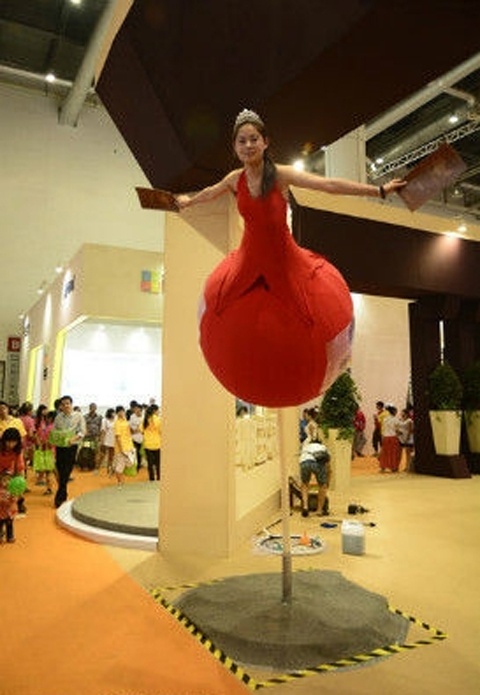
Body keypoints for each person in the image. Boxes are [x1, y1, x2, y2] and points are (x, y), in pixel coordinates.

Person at [175, 109, 406, 406]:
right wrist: (188, 201)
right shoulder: (235, 179)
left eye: (254, 139)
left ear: (265, 142)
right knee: (219, 305)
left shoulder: (280, 175)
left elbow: (328, 185)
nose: (248, 145)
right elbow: (211, 191)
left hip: (283, 260)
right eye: (242, 141)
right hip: (248, 257)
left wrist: (379, 190)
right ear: (235, 147)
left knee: (307, 315)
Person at [51, 395, 85, 508]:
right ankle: (63, 494)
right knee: (60, 470)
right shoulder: (58, 417)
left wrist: (73, 439)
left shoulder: (78, 416)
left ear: (71, 404)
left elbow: (82, 431)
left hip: (72, 446)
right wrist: (54, 439)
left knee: (67, 470)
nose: (65, 406)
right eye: (63, 404)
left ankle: (59, 496)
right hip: (60, 447)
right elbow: (55, 430)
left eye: (67, 403)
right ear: (60, 406)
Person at [0, 428, 25, 543]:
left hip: (12, 484)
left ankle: (10, 533)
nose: (11, 444)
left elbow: (20, 470)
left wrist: (19, 490)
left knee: (10, 508)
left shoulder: (18, 452)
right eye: (8, 441)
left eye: (14, 442)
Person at [298, 440, 331, 518]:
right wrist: (327, 482)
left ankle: (305, 507)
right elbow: (328, 467)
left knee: (305, 484)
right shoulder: (323, 447)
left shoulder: (305, 447)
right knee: (322, 486)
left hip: (304, 462)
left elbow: (301, 458)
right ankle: (319, 510)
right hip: (318, 463)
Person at [113, 406, 135, 487]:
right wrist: (121, 449)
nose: (122, 413)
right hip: (121, 448)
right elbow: (118, 437)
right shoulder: (117, 423)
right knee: (119, 467)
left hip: (129, 446)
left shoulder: (125, 421)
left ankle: (121, 481)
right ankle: (120, 483)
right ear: (117, 413)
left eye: (123, 411)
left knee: (129, 464)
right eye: (120, 411)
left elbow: (130, 433)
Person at [378, 405, 401, 472]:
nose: (396, 412)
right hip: (393, 437)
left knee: (385, 453)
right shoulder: (395, 419)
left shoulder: (385, 419)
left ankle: (383, 467)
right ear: (393, 411)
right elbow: (398, 429)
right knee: (393, 453)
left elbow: (383, 428)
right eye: (396, 411)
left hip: (385, 437)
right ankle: (393, 467)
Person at [141, 404, 161, 481]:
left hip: (148, 444)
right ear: (154, 411)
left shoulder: (145, 419)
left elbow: (141, 431)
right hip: (157, 444)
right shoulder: (158, 419)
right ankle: (159, 478)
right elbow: (161, 431)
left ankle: (151, 479)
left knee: (150, 464)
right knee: (158, 463)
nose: (159, 411)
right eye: (158, 410)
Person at [83, 402, 103, 470]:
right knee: (86, 450)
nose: (93, 409)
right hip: (87, 437)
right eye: (91, 407)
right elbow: (83, 425)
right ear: (89, 408)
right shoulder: (85, 417)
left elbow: (101, 426)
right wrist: (85, 432)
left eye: (94, 407)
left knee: (96, 451)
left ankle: (94, 466)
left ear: (96, 408)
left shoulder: (100, 417)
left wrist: (100, 436)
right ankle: (85, 465)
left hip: (96, 437)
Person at [128, 402, 144, 472]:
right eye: (136, 409)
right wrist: (135, 430)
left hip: (142, 438)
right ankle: (135, 466)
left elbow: (145, 427)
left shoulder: (144, 417)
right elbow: (130, 426)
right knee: (135, 452)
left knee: (140, 453)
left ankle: (139, 465)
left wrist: (139, 429)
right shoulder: (132, 416)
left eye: (138, 410)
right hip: (134, 438)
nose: (136, 411)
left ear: (141, 410)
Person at [100, 408, 116, 475]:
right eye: (113, 412)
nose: (114, 414)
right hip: (107, 439)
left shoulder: (116, 419)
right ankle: (100, 467)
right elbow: (103, 431)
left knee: (112, 455)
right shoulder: (104, 420)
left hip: (114, 439)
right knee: (104, 454)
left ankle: (111, 468)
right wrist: (102, 441)